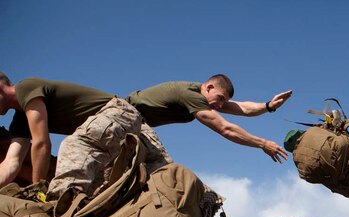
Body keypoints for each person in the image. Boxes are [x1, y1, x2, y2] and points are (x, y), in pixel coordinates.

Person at [0, 72, 169, 197]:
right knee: (103, 191)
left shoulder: (25, 88)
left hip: (119, 113)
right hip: (119, 133)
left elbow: (41, 143)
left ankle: (59, 202)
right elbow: (11, 163)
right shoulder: (20, 123)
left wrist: (38, 190)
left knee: (73, 146)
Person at [125, 75, 292, 163]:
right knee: (161, 168)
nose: (220, 105)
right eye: (220, 98)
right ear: (209, 87)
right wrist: (263, 144)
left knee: (160, 169)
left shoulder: (206, 97)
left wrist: (269, 105)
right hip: (122, 116)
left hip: (135, 125)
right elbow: (225, 129)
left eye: (223, 101)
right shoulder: (192, 96)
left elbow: (243, 109)